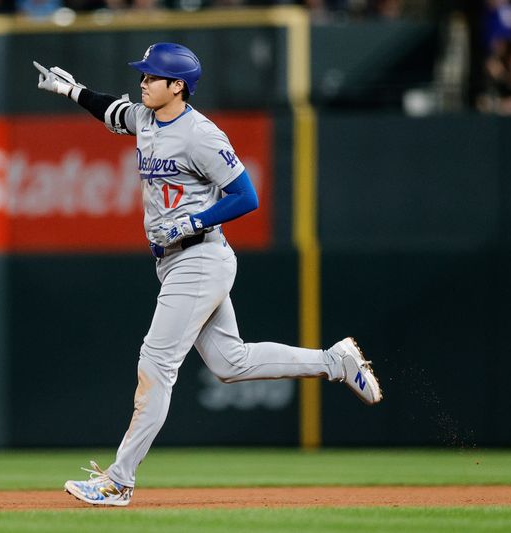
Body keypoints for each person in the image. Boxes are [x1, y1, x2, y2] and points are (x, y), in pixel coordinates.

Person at [33, 43, 383, 507]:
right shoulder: (145, 118)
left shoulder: (200, 134)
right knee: (230, 363)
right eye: (143, 76)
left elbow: (246, 195)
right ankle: (334, 362)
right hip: (176, 261)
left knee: (155, 365)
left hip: (199, 257)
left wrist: (195, 221)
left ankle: (119, 481)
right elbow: (111, 111)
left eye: (152, 77)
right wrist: (72, 89)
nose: (143, 82)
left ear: (177, 86)